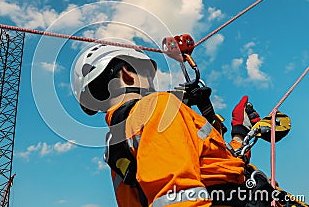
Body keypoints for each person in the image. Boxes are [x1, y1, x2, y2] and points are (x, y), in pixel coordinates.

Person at [72, 44, 276, 207]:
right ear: (127, 73)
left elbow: (214, 165)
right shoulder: (157, 107)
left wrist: (240, 134)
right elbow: (179, 197)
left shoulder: (117, 146)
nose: (152, 83)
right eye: (147, 74)